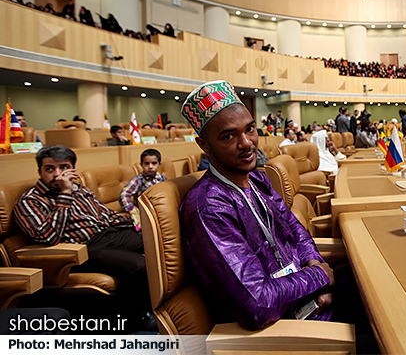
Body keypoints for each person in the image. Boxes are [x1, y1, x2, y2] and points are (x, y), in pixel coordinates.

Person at [178, 81, 338, 330]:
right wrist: (317, 278)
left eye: (250, 129)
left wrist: (315, 266)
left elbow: (295, 229)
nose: (247, 142)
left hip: (307, 296)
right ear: (204, 145)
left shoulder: (257, 179)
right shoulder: (209, 207)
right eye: (229, 136)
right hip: (283, 328)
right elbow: (257, 304)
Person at [13, 145, 154, 329]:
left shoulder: (81, 189)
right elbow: (48, 237)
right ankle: (141, 314)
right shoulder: (30, 200)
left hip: (108, 234)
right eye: (50, 169)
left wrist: (138, 223)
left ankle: (169, 302)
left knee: (160, 242)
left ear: (73, 170)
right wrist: (65, 193)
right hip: (82, 249)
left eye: (63, 168)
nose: (57, 174)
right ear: (39, 171)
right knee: (139, 265)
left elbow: (105, 215)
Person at [119, 148, 167, 231]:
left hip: (160, 210)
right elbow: (124, 194)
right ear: (141, 165)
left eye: (154, 163)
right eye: (146, 163)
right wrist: (131, 208)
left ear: (159, 164)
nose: (150, 167)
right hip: (144, 212)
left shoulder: (161, 178)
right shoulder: (138, 180)